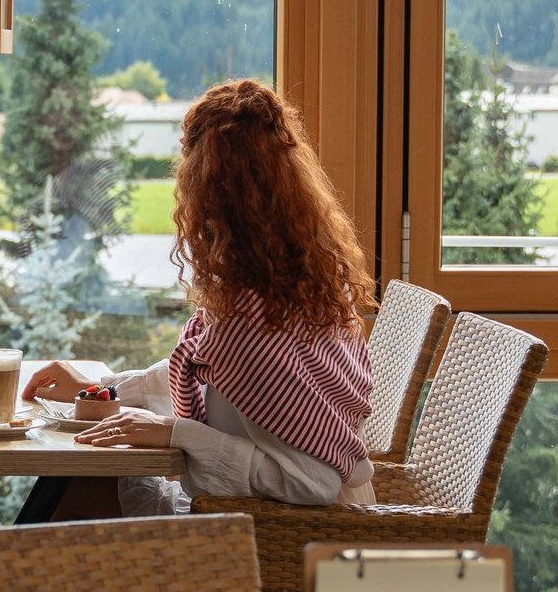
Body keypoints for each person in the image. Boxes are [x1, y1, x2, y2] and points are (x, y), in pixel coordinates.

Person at [20, 79, 378, 515]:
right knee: (80, 483)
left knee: (71, 497)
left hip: (276, 540)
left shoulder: (249, 332)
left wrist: (177, 434)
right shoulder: (300, 290)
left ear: (206, 197)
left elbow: (312, 483)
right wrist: (102, 391)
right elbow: (211, 377)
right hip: (261, 517)